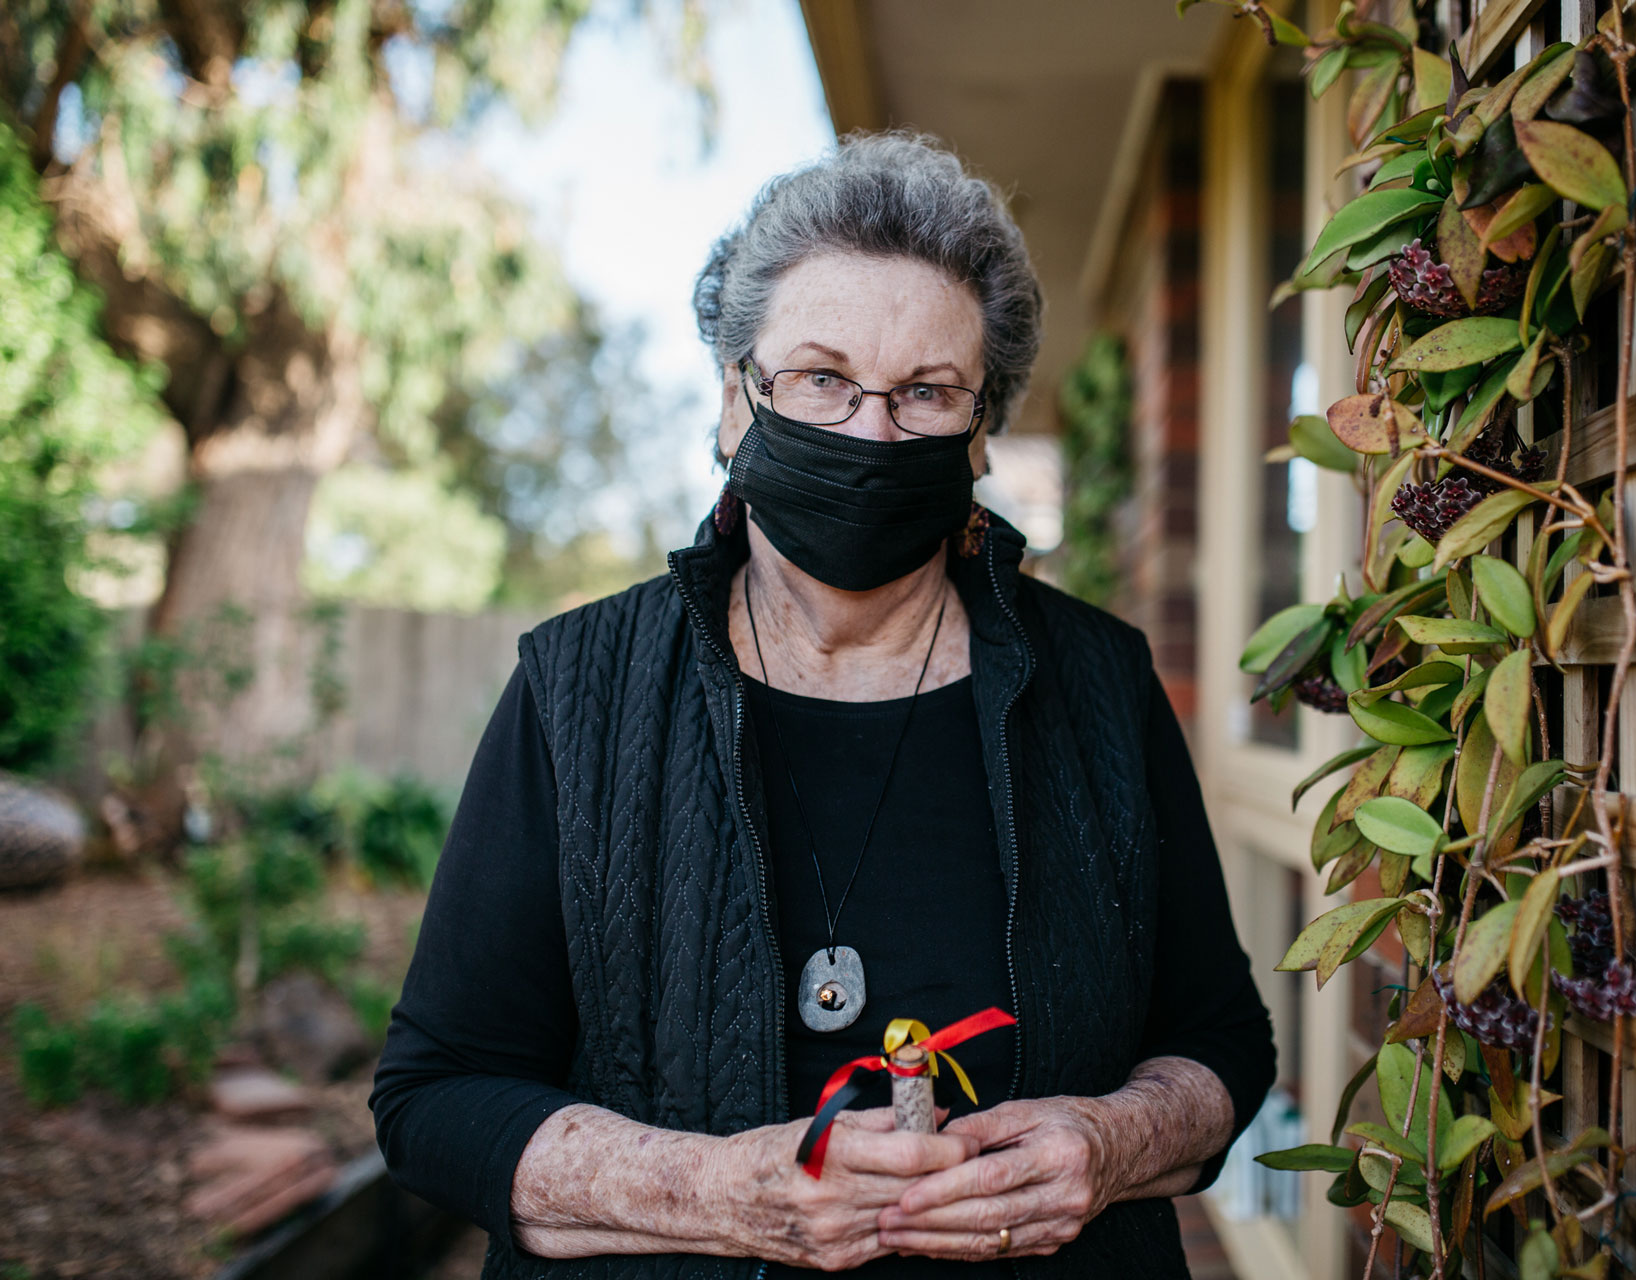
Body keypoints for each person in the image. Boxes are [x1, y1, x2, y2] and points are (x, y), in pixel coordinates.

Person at [371, 132, 1275, 1278]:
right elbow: (434, 1095)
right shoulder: (577, 689)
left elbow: (1219, 1042)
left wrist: (1111, 1140)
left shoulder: (1099, 683)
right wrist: (713, 1192)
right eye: (822, 378)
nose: (871, 431)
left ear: (981, 428)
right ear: (736, 399)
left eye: (927, 392)